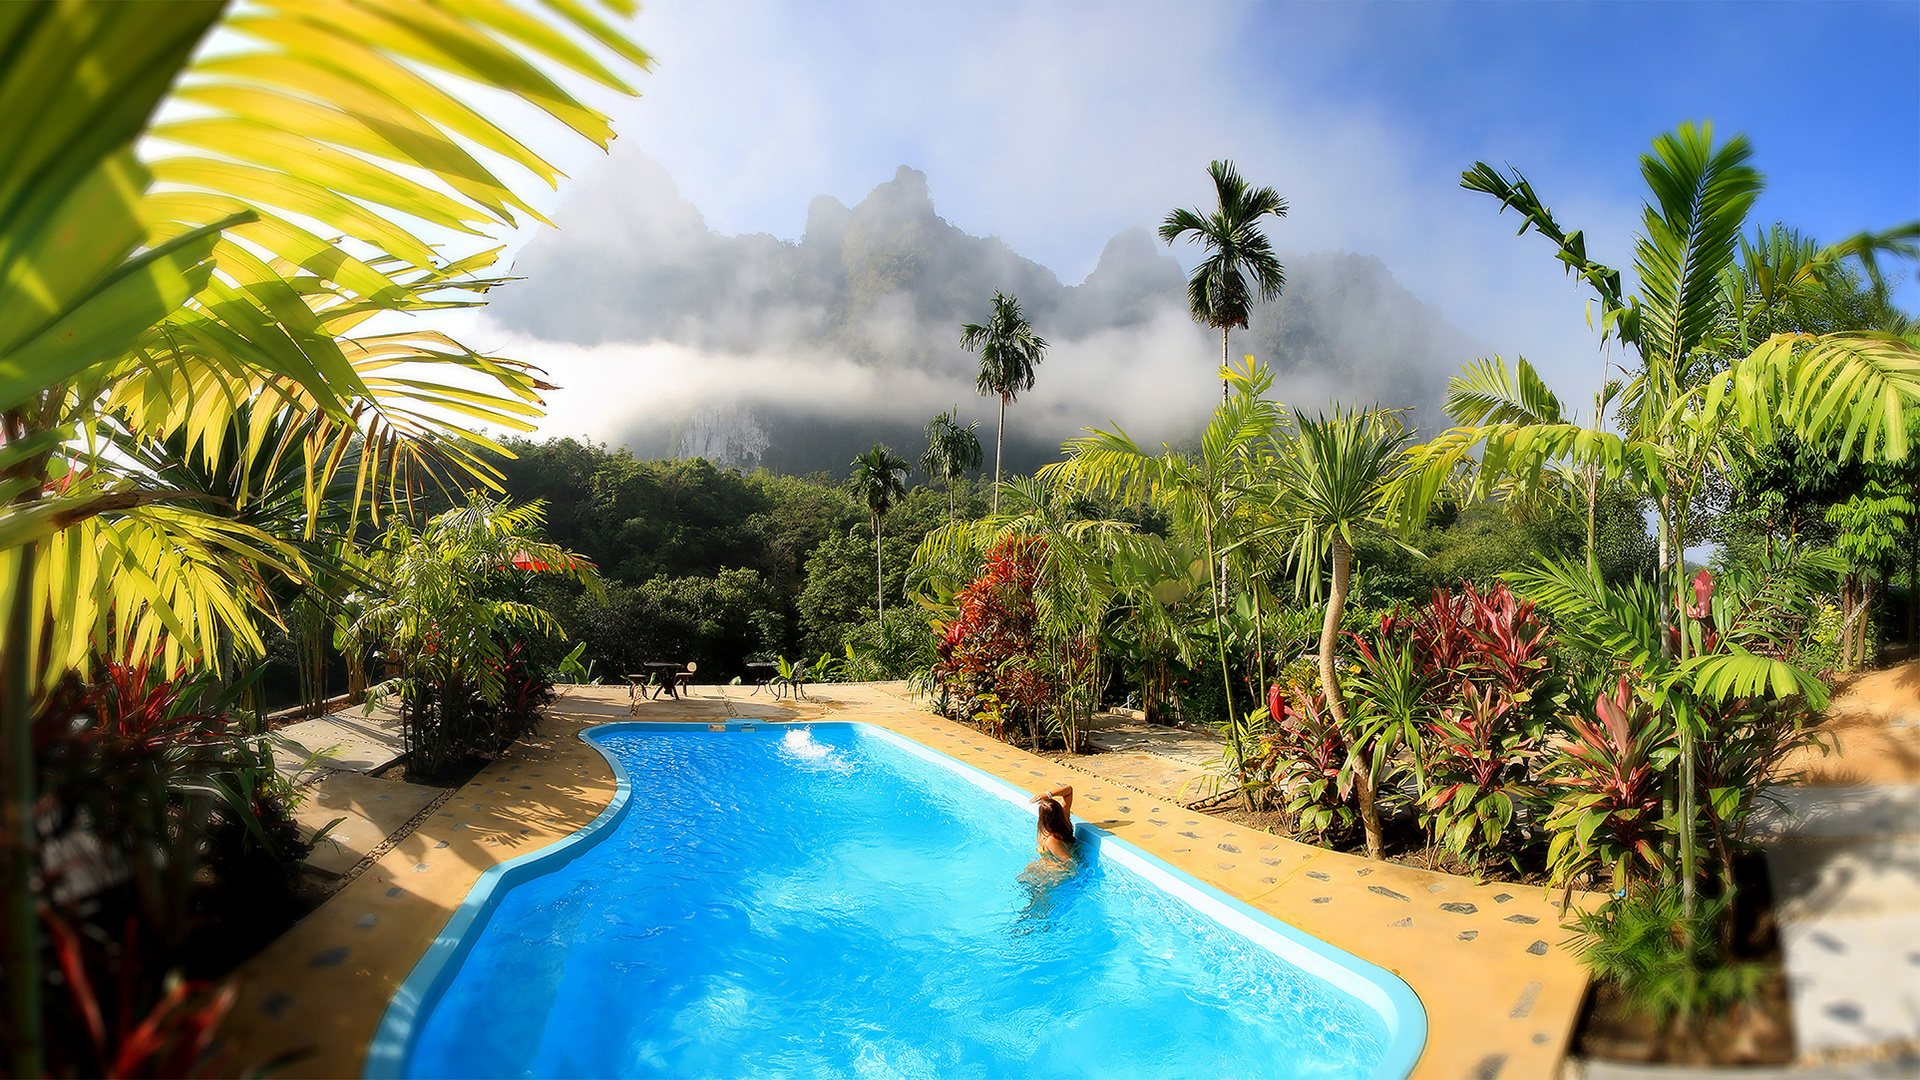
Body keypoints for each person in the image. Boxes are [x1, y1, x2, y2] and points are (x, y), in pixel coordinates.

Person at [1028, 783, 1075, 865]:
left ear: (1043, 818)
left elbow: (1070, 862)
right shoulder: (1064, 817)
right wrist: (1048, 794)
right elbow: (1069, 790)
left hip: (1054, 871)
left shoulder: (1051, 840)